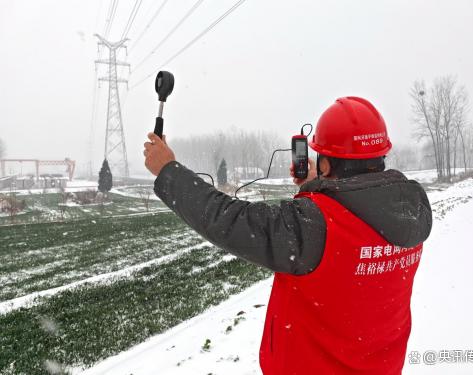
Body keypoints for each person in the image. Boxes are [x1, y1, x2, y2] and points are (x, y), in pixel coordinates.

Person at [143, 96, 432, 375]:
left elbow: (228, 219)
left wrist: (168, 171)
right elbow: (359, 207)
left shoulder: (312, 225)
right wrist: (317, 189)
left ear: (327, 165)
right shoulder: (410, 211)